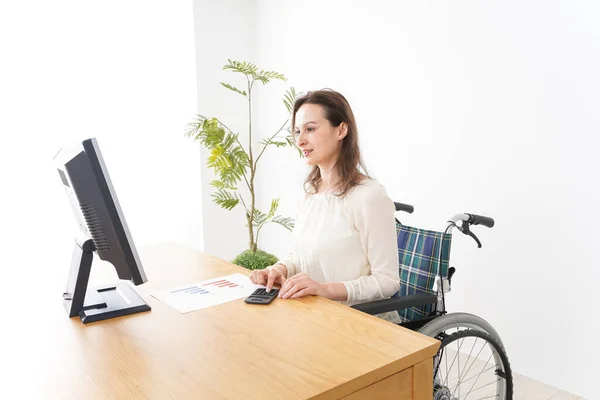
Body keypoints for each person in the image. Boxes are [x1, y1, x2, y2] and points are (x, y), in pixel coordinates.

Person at [249, 88, 400, 320]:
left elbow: (388, 281)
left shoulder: (369, 197)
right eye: (297, 131)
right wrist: (279, 270)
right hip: (314, 318)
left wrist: (325, 289)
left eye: (310, 129)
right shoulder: (311, 193)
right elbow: (297, 256)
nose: (300, 140)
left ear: (341, 130)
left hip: (360, 326)